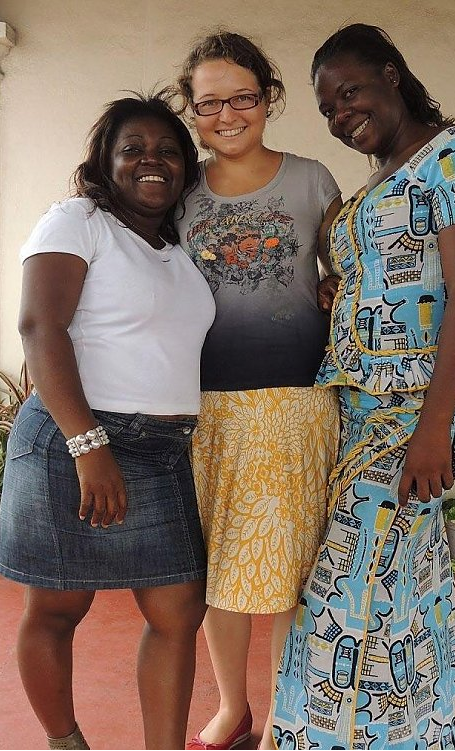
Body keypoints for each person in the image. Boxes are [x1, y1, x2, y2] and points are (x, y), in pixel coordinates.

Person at [271, 24, 455, 750]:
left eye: (350, 93)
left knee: (350, 589)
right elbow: (382, 273)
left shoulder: (453, 155)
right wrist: (340, 288)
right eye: (328, 109)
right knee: (402, 590)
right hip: (351, 405)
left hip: (409, 415)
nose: (341, 115)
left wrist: (434, 431)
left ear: (392, 76)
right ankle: (435, 734)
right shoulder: (382, 178)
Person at [0, 91, 216, 751]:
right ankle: (65, 741)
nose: (153, 161)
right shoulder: (78, 220)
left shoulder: (174, 249)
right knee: (60, 609)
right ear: (105, 162)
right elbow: (40, 326)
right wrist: (88, 446)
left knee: (178, 611)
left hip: (163, 449)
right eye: (135, 149)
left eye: (168, 150)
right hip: (75, 437)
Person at [174, 31, 343, 751]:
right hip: (202, 407)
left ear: (267, 98)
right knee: (219, 567)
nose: (227, 115)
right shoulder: (179, 194)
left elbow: (345, 278)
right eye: (208, 102)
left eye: (241, 97)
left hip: (293, 404)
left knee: (284, 568)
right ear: (191, 110)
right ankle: (231, 705)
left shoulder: (311, 180)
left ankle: (284, 713)